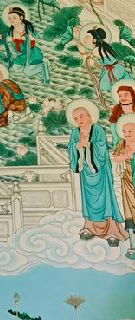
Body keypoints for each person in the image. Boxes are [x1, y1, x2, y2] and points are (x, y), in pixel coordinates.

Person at [66, 99, 125, 246]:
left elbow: (102, 147)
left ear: (90, 116)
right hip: (86, 172)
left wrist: (88, 145)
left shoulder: (97, 129)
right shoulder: (75, 133)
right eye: (76, 118)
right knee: (89, 200)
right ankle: (90, 227)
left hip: (100, 171)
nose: (79, 120)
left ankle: (111, 230)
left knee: (105, 199)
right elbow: (71, 148)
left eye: (82, 116)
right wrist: (77, 146)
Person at [5, 6, 49, 84]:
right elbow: (14, 51)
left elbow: (34, 41)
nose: (11, 20)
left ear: (21, 17)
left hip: (31, 53)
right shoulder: (11, 32)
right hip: (20, 54)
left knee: (28, 72)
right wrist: (11, 42)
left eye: (14, 18)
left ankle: (43, 66)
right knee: (16, 68)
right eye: (9, 18)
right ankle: (42, 69)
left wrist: (29, 38)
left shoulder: (28, 28)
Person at [113, 114, 135, 260]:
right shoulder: (121, 143)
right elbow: (116, 157)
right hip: (127, 181)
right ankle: (133, 246)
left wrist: (130, 155)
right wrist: (126, 156)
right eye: (124, 131)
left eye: (130, 131)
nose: (126, 134)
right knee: (130, 214)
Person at [0, 64, 27, 128]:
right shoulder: (8, 82)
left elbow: (1, 106)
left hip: (13, 109)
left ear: (0, 75)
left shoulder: (1, 87)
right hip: (21, 106)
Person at [109, 81, 135, 145]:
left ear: (132, 95)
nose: (123, 98)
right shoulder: (117, 108)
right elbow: (113, 124)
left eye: (126, 95)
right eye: (120, 96)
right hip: (121, 135)